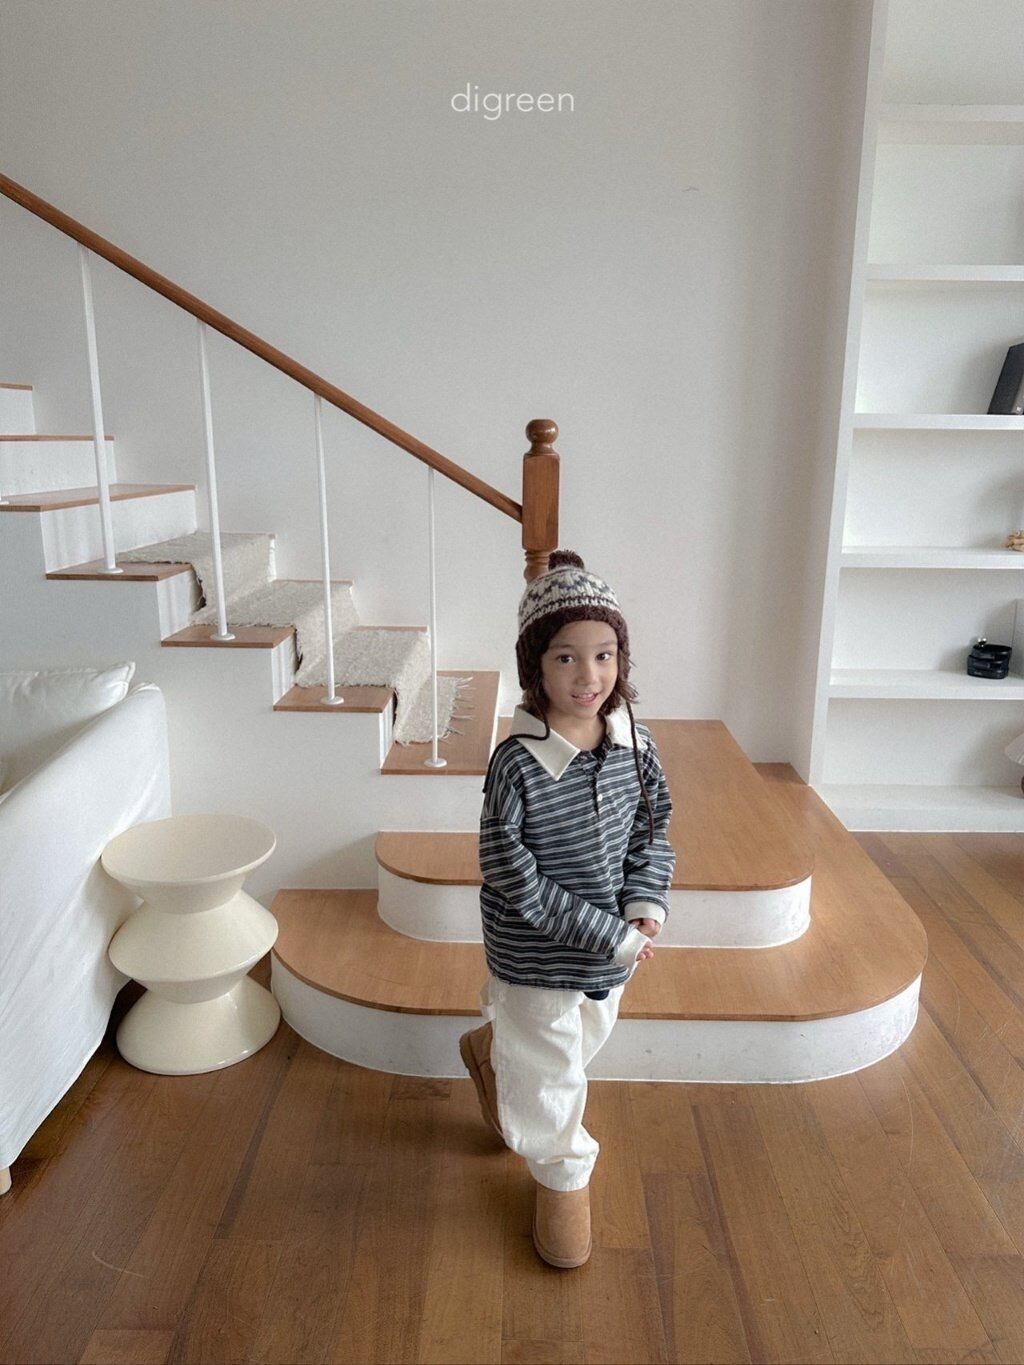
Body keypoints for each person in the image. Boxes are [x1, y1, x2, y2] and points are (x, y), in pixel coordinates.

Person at [458, 548, 676, 1269]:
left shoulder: (635, 745)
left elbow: (653, 832)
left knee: (579, 1043)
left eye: (604, 655)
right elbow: (510, 873)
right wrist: (604, 934)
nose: (589, 676)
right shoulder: (517, 763)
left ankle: (496, 1059)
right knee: (552, 1074)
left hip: (613, 954)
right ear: (536, 668)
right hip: (535, 953)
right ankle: (562, 1175)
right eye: (566, 658)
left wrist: (643, 905)